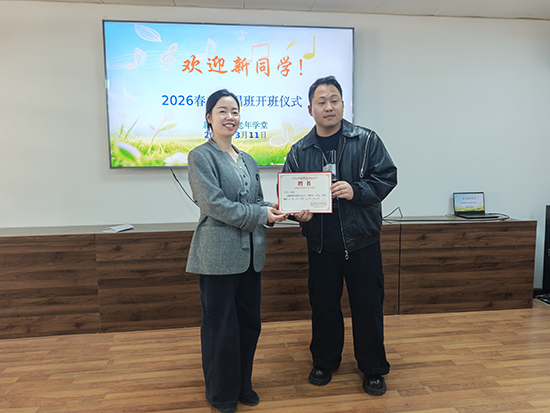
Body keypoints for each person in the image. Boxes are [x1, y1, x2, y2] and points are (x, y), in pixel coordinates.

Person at [282, 76, 397, 395]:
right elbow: (290, 194)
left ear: (343, 104)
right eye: (321, 101)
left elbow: (387, 177)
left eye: (334, 100)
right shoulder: (299, 150)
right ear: (310, 109)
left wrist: (356, 190)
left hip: (362, 243)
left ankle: (373, 368)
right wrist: (297, 213)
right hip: (321, 244)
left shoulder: (366, 140)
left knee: (368, 307)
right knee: (323, 307)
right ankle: (324, 360)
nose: (328, 106)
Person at [186, 89, 287, 413]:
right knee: (221, 329)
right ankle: (221, 394)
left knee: (249, 325)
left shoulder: (248, 159)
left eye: (235, 111)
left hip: (251, 255)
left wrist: (280, 209)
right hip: (217, 257)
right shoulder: (200, 157)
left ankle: (243, 384)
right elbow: (214, 204)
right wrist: (261, 214)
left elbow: (256, 202)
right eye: (222, 111)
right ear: (209, 117)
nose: (230, 117)